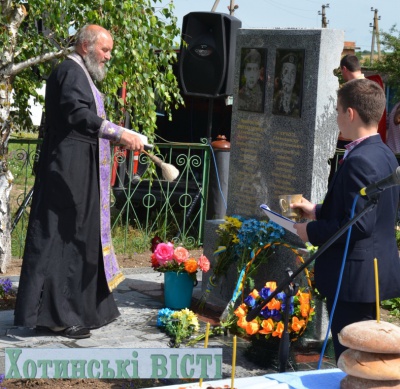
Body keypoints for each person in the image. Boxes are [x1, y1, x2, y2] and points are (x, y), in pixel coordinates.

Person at [14, 25, 146, 339]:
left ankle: (81, 310)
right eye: (105, 50)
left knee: (79, 238)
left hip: (78, 168)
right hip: (67, 171)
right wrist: (119, 133)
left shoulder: (77, 72)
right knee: (64, 241)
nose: (109, 57)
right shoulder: (69, 72)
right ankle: (60, 317)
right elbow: (77, 115)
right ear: (86, 47)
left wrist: (119, 136)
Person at [291, 78, 400, 362]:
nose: (336, 117)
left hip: (354, 278)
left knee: (353, 359)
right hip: (368, 274)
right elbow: (361, 210)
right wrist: (315, 210)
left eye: (338, 110)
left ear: (350, 113)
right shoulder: (384, 153)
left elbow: (359, 225)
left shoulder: (360, 160)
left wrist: (309, 231)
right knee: (360, 358)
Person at [272, 52, 300, 117]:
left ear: (295, 79)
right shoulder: (275, 99)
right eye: (286, 71)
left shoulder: (298, 102)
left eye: (292, 73)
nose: (289, 77)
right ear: (281, 76)